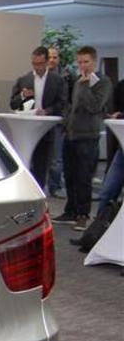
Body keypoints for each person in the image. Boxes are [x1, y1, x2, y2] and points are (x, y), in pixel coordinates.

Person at [53, 46, 112, 229]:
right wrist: (66, 123)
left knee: (83, 177)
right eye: (79, 62)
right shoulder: (78, 81)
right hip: (71, 134)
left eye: (86, 62)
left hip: (88, 136)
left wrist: (86, 85)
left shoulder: (103, 82)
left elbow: (94, 106)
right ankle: (71, 210)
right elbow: (73, 105)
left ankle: (83, 214)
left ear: (94, 61)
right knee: (69, 175)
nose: (83, 65)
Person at [8, 46, 67, 189]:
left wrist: (47, 111)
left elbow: (62, 103)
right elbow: (13, 104)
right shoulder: (24, 80)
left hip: (46, 127)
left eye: (40, 64)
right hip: (27, 128)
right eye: (34, 64)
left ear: (47, 62)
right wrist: (23, 95)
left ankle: (41, 189)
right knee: (27, 161)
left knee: (44, 163)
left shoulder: (57, 80)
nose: (37, 67)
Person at [46, 46, 72, 197]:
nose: (52, 60)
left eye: (55, 57)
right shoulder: (38, 76)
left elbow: (68, 101)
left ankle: (55, 186)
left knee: (56, 158)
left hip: (59, 121)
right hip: (41, 122)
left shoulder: (67, 76)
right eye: (49, 57)